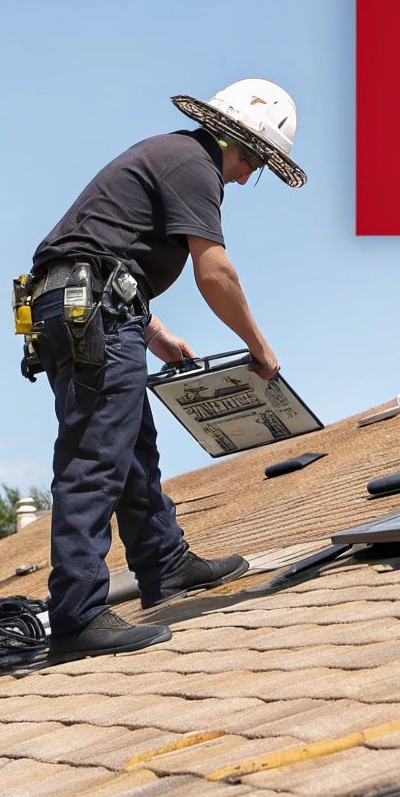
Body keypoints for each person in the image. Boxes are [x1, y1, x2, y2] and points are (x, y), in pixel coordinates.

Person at [26, 78, 306, 661]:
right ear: (237, 140)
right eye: (254, 162)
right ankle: (77, 616)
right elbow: (216, 272)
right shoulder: (195, 165)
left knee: (128, 443)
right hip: (92, 310)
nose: (247, 177)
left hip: (79, 305)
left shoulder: (170, 154)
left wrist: (152, 333)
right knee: (95, 457)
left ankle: (164, 562)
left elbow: (100, 248)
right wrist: (259, 346)